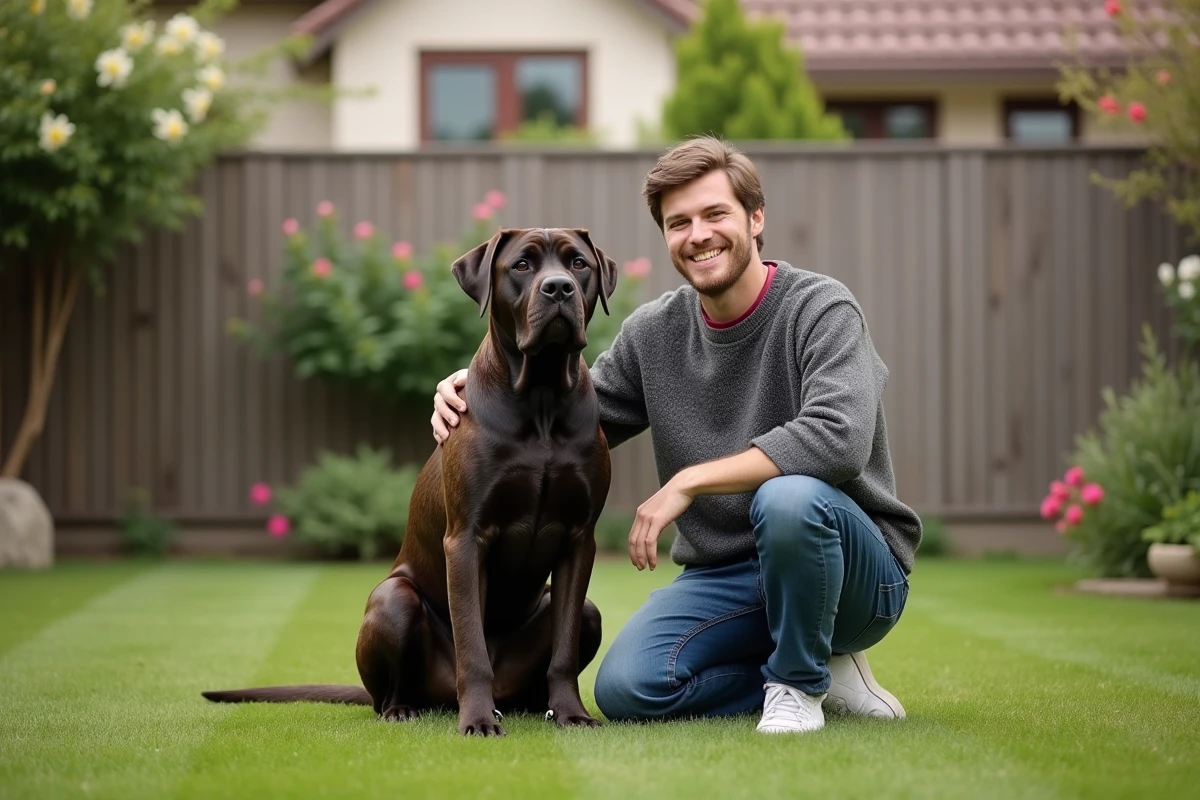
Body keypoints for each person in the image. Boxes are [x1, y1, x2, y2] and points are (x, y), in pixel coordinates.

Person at [430, 135, 923, 734]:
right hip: (729, 579)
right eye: (678, 222)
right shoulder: (655, 334)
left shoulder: (820, 309)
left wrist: (689, 481)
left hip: (850, 573)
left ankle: (801, 679)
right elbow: (574, 419)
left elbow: (837, 439)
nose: (698, 235)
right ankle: (814, 668)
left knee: (788, 497)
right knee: (628, 688)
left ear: (755, 218)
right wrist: (475, 392)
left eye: (715, 214)